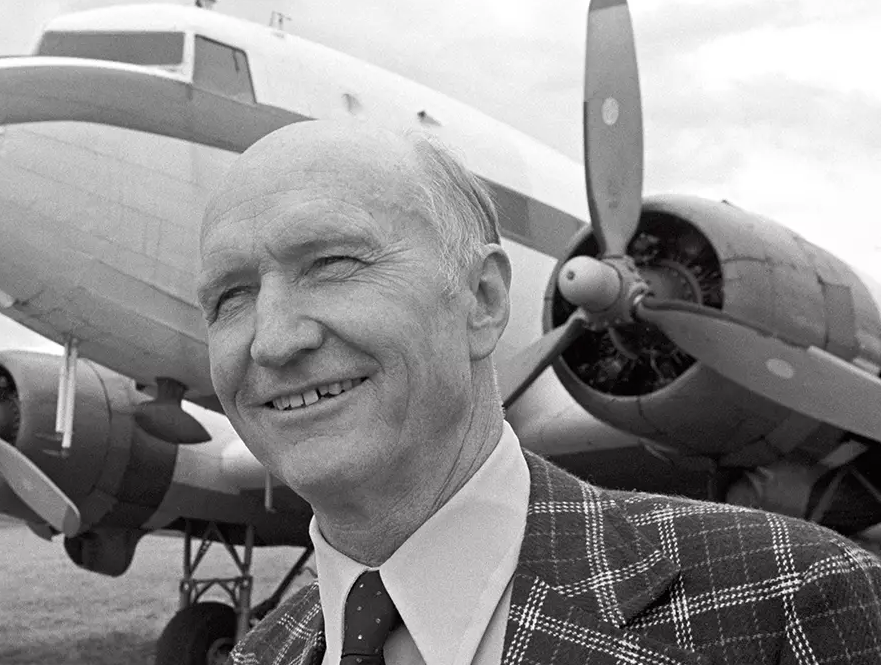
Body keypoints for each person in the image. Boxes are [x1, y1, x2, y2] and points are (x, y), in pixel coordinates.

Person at [195, 119, 881, 665]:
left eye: (332, 263)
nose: (272, 341)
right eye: (231, 297)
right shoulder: (262, 653)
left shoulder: (797, 601)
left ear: (484, 299)